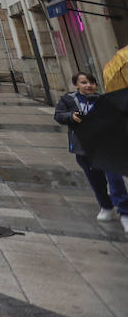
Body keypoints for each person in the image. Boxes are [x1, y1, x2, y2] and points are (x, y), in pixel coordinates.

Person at [54, 71, 128, 233]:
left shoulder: (104, 100)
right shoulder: (68, 100)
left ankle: (124, 212)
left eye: (92, 83)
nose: (89, 86)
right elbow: (58, 115)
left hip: (106, 147)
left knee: (115, 180)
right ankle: (106, 206)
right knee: (97, 181)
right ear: (76, 85)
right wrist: (71, 117)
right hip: (83, 148)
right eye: (84, 82)